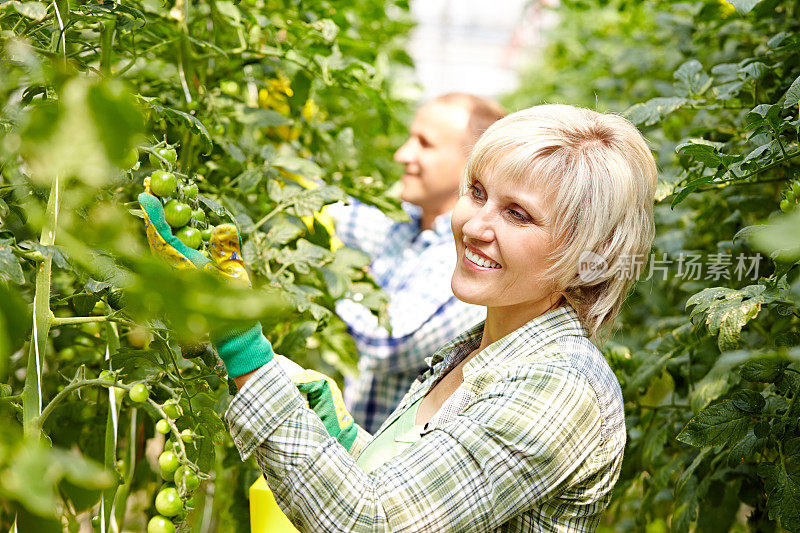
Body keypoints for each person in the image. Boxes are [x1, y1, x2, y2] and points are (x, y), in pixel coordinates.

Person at [140, 103, 657, 531]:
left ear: (589, 254)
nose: (475, 225)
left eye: (517, 214)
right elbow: (417, 489)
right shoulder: (480, 349)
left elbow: (375, 522)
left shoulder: (560, 387)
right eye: (476, 192)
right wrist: (340, 437)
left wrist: (245, 353)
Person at [330, 93, 506, 433]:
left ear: (474, 166)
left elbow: (385, 343)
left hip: (391, 471)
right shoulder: (404, 225)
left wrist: (336, 273)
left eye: (424, 144)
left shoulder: (468, 261)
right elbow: (338, 215)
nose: (403, 154)